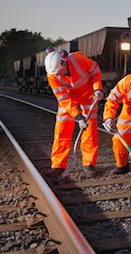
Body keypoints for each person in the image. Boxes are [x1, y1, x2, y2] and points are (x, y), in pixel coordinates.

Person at [44, 47, 104, 178]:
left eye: (60, 72)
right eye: (56, 74)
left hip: (89, 96)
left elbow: (95, 71)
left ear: (64, 62)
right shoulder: (52, 74)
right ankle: (58, 166)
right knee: (62, 130)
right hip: (69, 100)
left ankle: (89, 165)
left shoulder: (77, 59)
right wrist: (78, 116)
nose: (59, 76)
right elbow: (63, 98)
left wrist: (97, 89)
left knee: (89, 131)